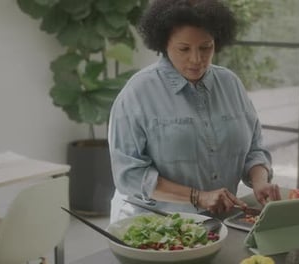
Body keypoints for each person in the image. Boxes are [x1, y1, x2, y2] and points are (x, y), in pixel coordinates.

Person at [108, 0, 281, 222]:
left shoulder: (231, 84)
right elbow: (129, 175)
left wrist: (260, 181)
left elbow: (254, 149)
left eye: (205, 47)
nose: (196, 59)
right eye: (184, 49)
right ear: (163, 43)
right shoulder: (137, 93)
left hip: (221, 224)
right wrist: (197, 197)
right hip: (154, 225)